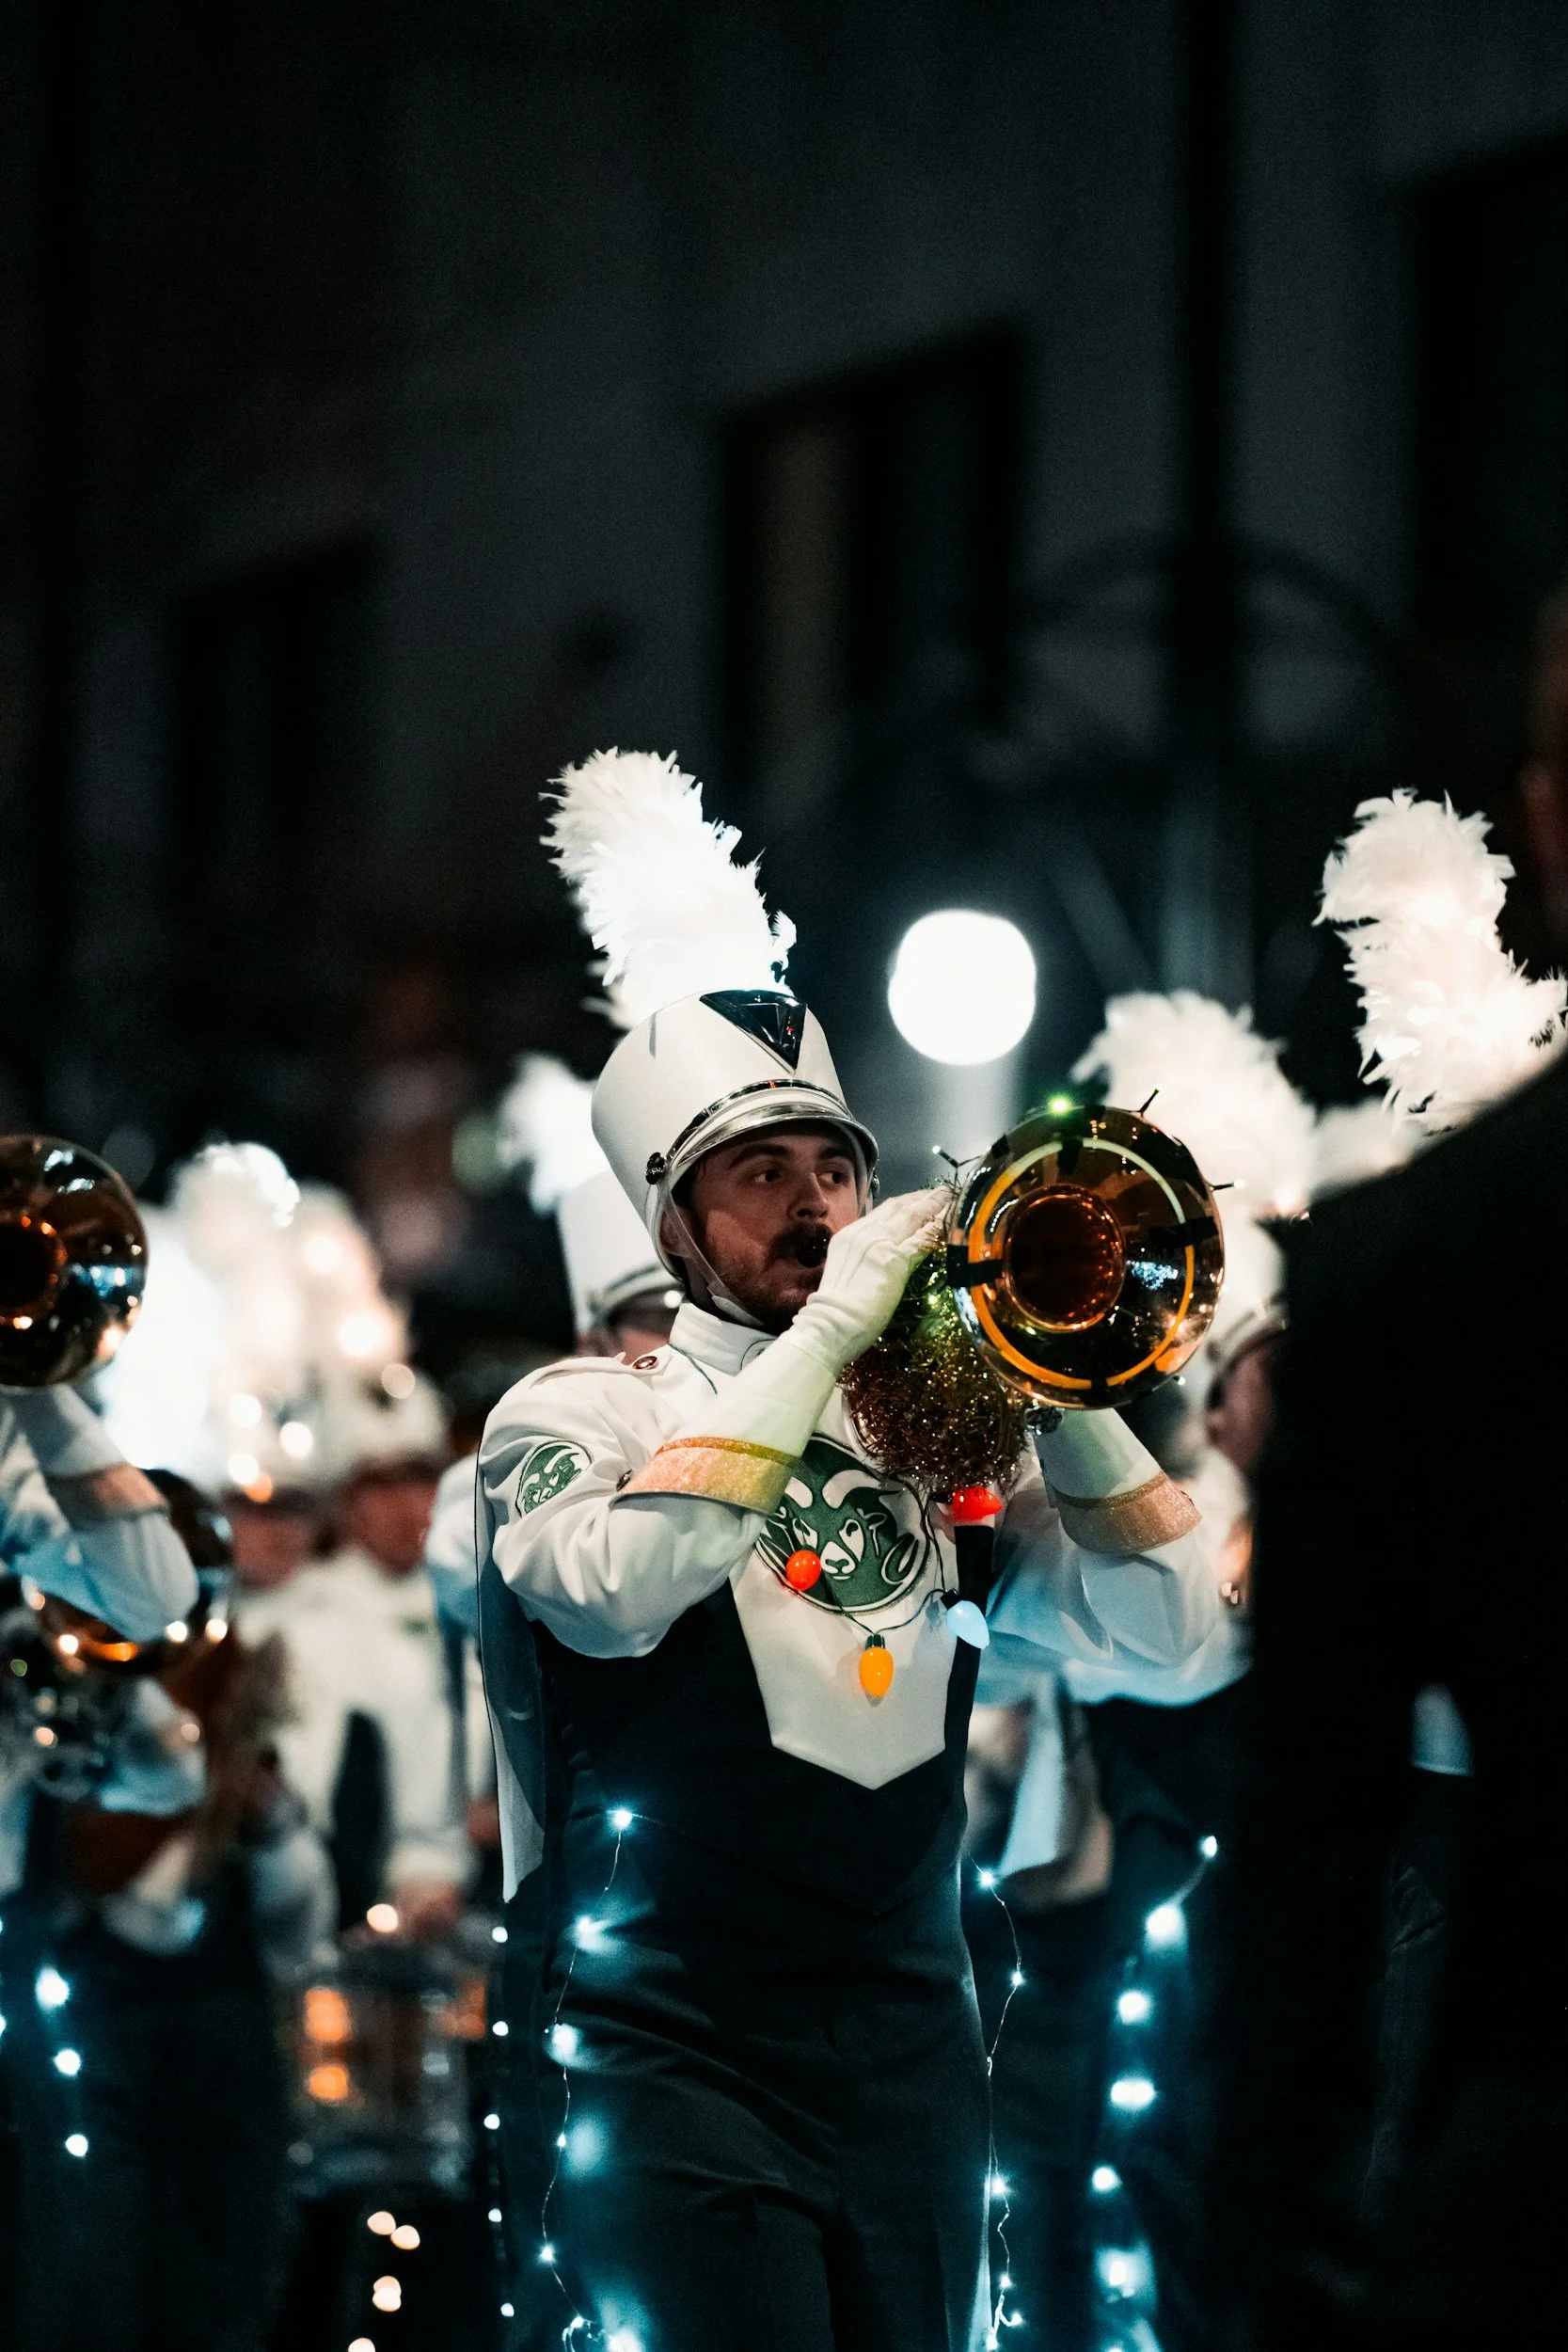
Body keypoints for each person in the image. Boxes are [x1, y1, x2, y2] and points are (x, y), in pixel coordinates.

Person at [475, 750, 1224, 2351]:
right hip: (659, 2046)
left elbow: (1172, 1639)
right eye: (762, 1176)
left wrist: (1054, 1379)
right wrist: (829, 1326)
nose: (816, 1203)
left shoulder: (931, 1422)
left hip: (908, 2045)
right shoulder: (580, 1406)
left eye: (835, 1168)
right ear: (673, 1227)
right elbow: (619, 1597)